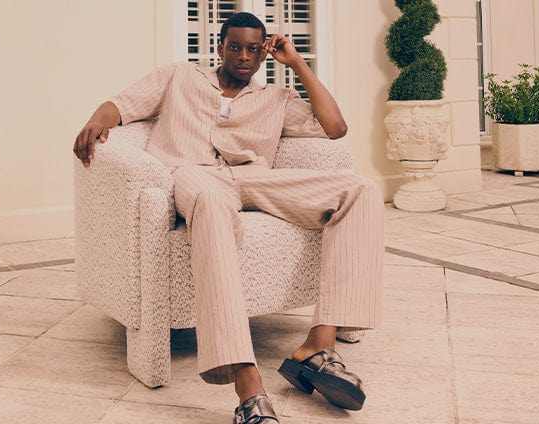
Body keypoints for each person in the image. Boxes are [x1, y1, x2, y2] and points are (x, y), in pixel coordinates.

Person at [73, 12, 383, 424]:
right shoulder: (179, 76)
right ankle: (247, 385)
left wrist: (297, 63)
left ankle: (317, 348)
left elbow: (335, 127)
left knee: (360, 190)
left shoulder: (276, 98)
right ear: (220, 47)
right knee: (211, 203)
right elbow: (123, 104)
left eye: (253, 49)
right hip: (192, 176)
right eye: (235, 46)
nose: (244, 56)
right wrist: (97, 121)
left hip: (253, 179)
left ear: (264, 53)